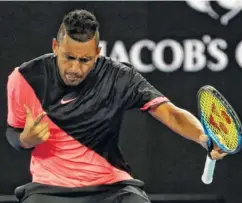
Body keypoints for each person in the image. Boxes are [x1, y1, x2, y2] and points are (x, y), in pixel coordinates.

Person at [6, 9, 227, 203]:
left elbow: (170, 113)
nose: (75, 68)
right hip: (49, 190)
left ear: (97, 53)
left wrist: (203, 137)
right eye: (69, 57)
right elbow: (13, 131)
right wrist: (25, 140)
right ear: (55, 46)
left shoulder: (119, 77)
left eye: (85, 60)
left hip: (112, 188)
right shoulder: (25, 78)